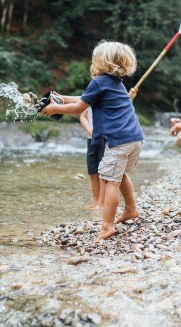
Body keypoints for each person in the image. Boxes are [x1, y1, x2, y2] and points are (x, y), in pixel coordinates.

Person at [41, 41, 144, 240]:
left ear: (103, 62)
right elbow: (84, 98)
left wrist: (55, 108)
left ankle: (107, 226)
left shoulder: (98, 82)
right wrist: (61, 98)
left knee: (109, 180)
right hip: (135, 138)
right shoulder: (116, 83)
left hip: (118, 141)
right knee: (121, 175)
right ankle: (131, 209)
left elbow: (79, 107)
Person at [80, 107, 105, 209]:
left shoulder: (106, 95)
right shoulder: (89, 98)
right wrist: (90, 131)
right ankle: (95, 202)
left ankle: (101, 203)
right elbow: (83, 116)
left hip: (106, 138)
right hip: (91, 139)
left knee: (103, 173)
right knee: (92, 172)